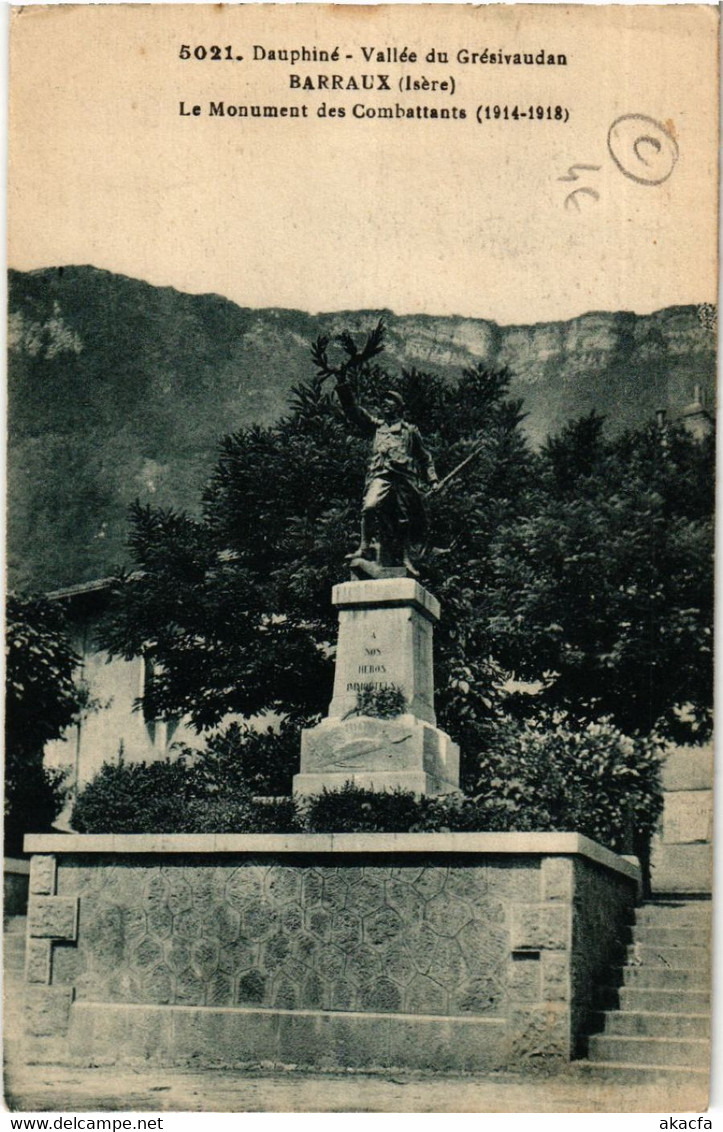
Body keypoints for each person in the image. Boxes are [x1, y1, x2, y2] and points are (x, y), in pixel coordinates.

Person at [336, 381, 438, 573]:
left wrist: (433, 479)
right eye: (383, 401)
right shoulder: (377, 426)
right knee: (369, 506)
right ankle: (364, 547)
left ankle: (406, 558)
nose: (385, 404)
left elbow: (425, 458)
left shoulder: (410, 431)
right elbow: (354, 412)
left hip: (404, 479)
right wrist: (343, 387)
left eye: (390, 401)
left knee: (404, 519)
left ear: (399, 407)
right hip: (381, 475)